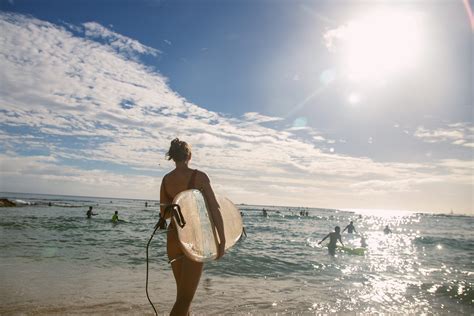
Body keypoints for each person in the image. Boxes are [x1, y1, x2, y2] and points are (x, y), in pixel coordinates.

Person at [160, 138, 225, 316]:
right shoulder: (200, 177)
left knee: (182, 296)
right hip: (193, 238)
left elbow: (164, 214)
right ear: (189, 155)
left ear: (173, 157)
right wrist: (222, 240)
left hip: (173, 237)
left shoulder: (166, 180)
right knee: (184, 300)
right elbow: (215, 208)